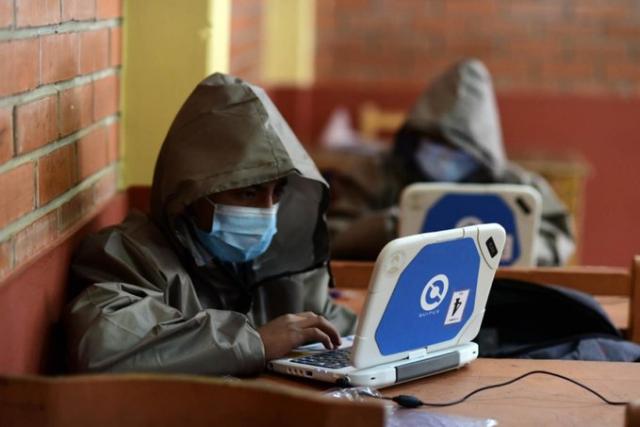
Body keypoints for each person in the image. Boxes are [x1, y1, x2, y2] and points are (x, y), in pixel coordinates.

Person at [64, 73, 357, 375]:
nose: (267, 211)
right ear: (191, 194)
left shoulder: (275, 260)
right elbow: (101, 346)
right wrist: (255, 341)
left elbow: (330, 323)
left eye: (278, 193)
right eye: (248, 193)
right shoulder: (128, 255)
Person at [328, 58, 575, 266]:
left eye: (458, 150)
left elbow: (559, 238)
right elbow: (334, 236)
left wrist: (514, 242)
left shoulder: (516, 189)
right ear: (416, 138)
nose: (445, 158)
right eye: (435, 144)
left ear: (480, 151)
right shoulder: (376, 173)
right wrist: (396, 226)